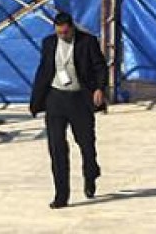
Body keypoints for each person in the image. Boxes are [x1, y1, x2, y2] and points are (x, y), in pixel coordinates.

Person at [29, 11, 108, 209]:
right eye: (59, 33)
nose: (62, 36)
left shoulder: (88, 42)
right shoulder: (48, 43)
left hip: (79, 99)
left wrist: (99, 88)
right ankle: (61, 195)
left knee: (86, 144)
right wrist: (36, 100)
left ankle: (91, 174)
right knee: (57, 148)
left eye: (65, 33)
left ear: (72, 28)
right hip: (56, 99)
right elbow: (43, 71)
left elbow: (100, 67)